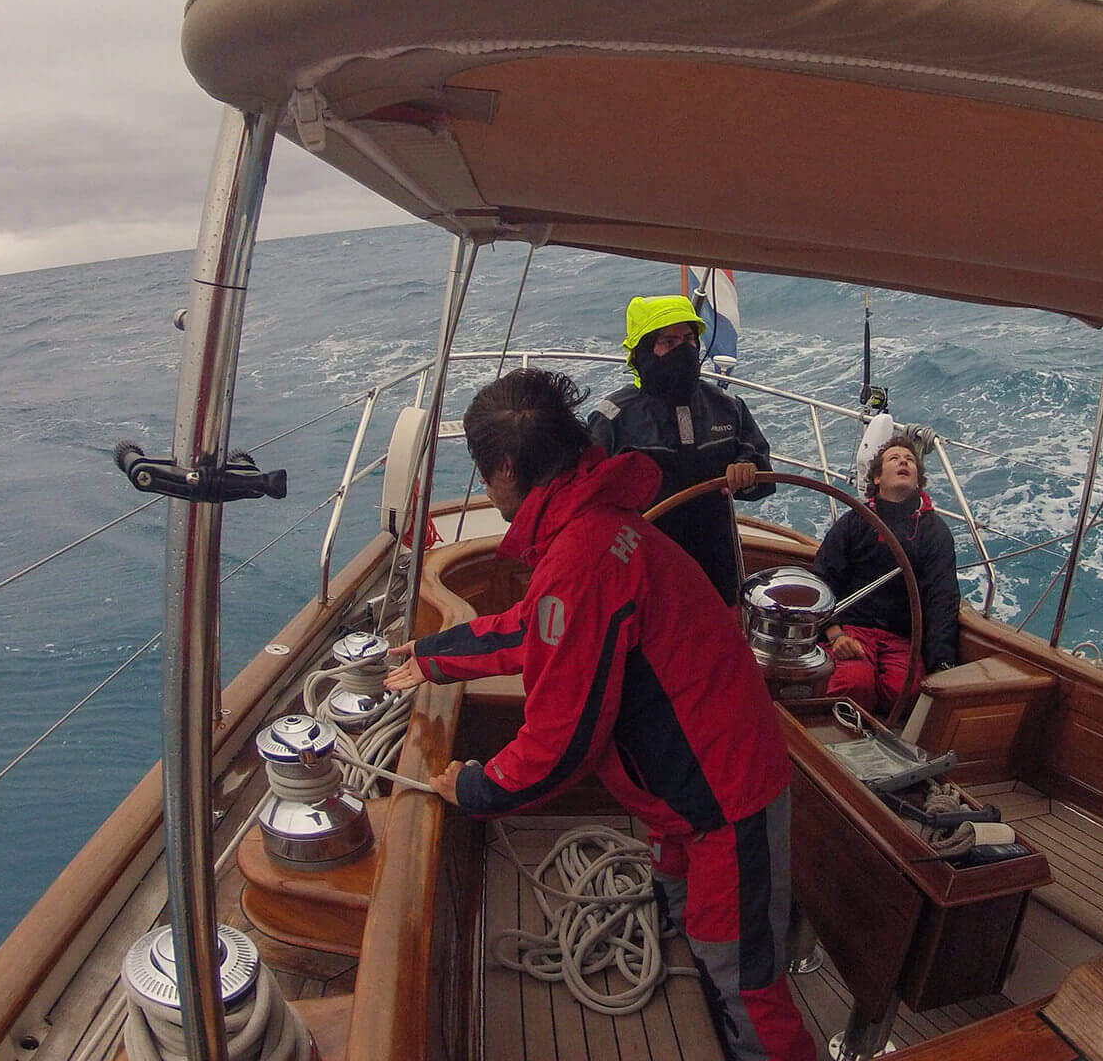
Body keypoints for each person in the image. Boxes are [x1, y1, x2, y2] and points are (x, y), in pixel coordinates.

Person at [385, 369, 816, 1061]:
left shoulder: (583, 557)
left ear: (503, 471)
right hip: (688, 790)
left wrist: (471, 787)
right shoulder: (598, 526)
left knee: (747, 984)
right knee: (688, 916)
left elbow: (562, 745)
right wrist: (435, 654)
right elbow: (538, 630)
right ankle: (705, 1003)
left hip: (727, 798)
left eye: (482, 474)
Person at [588, 294, 775, 605]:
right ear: (644, 350)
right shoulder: (613, 418)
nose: (684, 350)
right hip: (641, 570)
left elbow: (763, 477)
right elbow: (587, 502)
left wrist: (747, 471)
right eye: (669, 342)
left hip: (716, 568)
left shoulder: (727, 407)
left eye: (689, 339)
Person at [813, 434, 960, 715]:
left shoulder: (935, 532)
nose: (904, 461)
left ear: (918, 479)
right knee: (854, 684)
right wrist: (833, 634)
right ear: (877, 478)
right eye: (894, 458)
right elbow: (822, 582)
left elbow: (942, 599)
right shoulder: (854, 522)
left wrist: (942, 664)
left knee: (906, 693)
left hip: (902, 639)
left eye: (910, 460)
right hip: (850, 630)